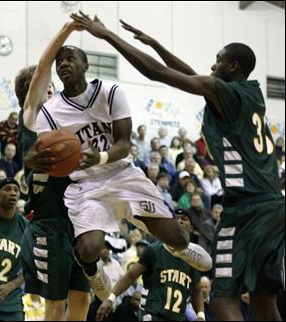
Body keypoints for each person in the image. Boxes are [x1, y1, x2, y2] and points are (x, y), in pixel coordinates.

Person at [71, 12, 285, 321]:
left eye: (218, 60)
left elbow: (157, 73)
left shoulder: (226, 93)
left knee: (224, 298)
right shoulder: (250, 94)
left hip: (246, 207)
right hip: (274, 206)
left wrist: (107, 36)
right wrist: (157, 44)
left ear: (233, 66)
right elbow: (193, 75)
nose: (212, 66)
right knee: (265, 299)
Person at [25, 19, 212, 306]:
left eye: (70, 58)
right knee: (88, 249)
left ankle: (180, 248)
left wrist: (98, 157)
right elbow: (34, 154)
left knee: (178, 238)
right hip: (86, 185)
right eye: (59, 61)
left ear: (86, 65)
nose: (63, 64)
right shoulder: (51, 112)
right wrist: (34, 159)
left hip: (122, 174)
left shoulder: (111, 93)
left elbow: (125, 144)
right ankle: (91, 270)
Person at [14, 21, 91, 321]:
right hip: (50, 222)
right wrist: (68, 30)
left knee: (82, 299)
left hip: (77, 219)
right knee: (56, 305)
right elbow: (44, 65)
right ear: (29, 96)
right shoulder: (31, 118)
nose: (53, 94)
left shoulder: (67, 122)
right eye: (48, 89)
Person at [96, 208, 205, 321]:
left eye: (184, 219)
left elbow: (197, 291)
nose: (180, 221)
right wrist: (111, 298)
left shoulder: (193, 260)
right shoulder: (154, 250)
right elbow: (130, 276)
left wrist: (201, 315)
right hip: (152, 315)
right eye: (176, 218)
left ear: (191, 228)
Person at [0, 178, 27, 321]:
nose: (13, 193)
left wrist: (11, 285)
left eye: (16, 190)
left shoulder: (26, 228)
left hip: (10, 301)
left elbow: (33, 266)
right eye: (7, 189)